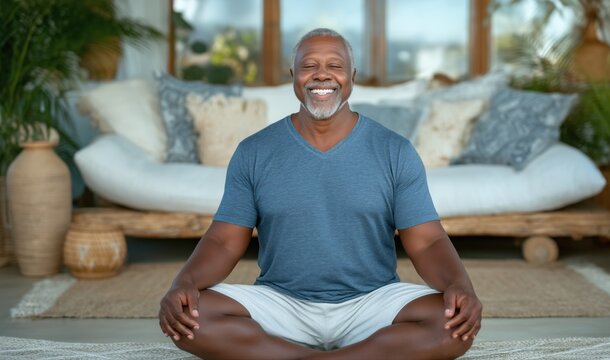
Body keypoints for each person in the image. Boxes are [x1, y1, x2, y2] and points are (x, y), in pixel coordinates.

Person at [159, 28, 482, 360]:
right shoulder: (254, 151)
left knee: (452, 326)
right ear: (294, 77)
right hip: (281, 302)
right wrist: (183, 283)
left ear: (352, 76)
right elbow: (224, 241)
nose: (322, 74)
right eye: (309, 65)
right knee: (191, 319)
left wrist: (460, 285)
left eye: (335, 65)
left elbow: (427, 241)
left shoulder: (395, 151)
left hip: (372, 302)